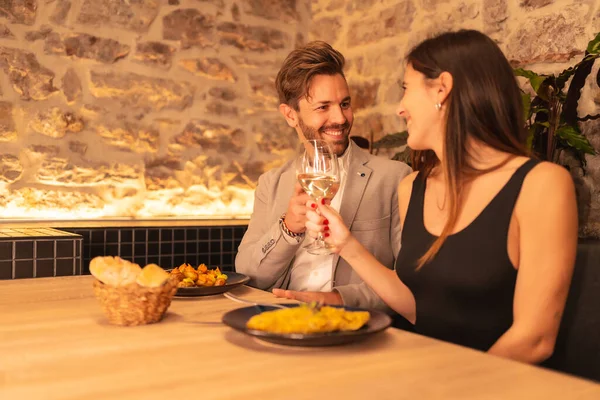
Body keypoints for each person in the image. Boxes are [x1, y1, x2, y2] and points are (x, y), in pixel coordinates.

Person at [305, 30, 578, 364]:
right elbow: (420, 308)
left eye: (406, 89)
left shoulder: (541, 185)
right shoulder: (412, 188)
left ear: (441, 89)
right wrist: (346, 244)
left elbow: (534, 340)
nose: (400, 108)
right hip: (421, 370)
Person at [235, 41, 412, 309]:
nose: (340, 118)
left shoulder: (394, 178)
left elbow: (410, 286)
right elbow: (249, 274)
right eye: (323, 107)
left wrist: (337, 299)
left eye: (345, 103)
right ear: (290, 115)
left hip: (359, 327)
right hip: (284, 320)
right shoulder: (271, 183)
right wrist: (288, 229)